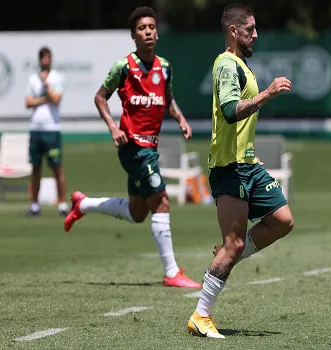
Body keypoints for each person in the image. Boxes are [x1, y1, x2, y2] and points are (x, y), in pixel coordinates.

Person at [63, 6, 201, 289]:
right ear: (133, 36)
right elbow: (100, 98)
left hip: (149, 148)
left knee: (139, 213)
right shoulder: (124, 67)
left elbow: (168, 98)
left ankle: (83, 204)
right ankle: (172, 272)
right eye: (142, 28)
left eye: (151, 27)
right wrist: (114, 128)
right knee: (161, 200)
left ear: (157, 32)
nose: (148, 32)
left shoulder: (165, 67)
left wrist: (181, 118)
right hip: (133, 147)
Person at [187, 4, 295, 339]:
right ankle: (201, 315)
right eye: (249, 28)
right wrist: (268, 93)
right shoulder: (225, 65)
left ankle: (227, 254)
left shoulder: (242, 66)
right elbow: (231, 111)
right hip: (228, 168)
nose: (255, 34)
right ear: (233, 31)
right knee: (232, 244)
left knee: (282, 221)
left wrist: (251, 152)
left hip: (247, 163)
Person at [24, 46, 68, 217]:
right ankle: (34, 205)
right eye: (42, 58)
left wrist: (46, 84)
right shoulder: (32, 79)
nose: (45, 61)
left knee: (57, 167)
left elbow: (56, 99)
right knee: (35, 168)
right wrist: (44, 99)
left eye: (47, 57)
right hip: (36, 128)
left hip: (52, 128)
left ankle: (62, 203)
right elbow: (28, 102)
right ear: (39, 60)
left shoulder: (56, 78)